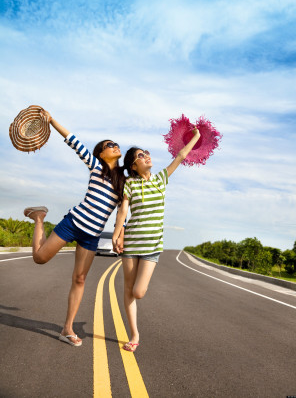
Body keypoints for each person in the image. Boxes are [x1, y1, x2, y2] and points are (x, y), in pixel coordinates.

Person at [24, 110, 125, 347]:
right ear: (101, 153)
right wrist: (51, 120)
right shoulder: (95, 166)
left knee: (80, 279)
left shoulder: (124, 181)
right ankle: (39, 218)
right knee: (39, 258)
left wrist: (119, 235)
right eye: (110, 144)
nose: (115, 146)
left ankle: (67, 329)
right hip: (73, 223)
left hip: (91, 235)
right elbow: (73, 141)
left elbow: (123, 211)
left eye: (116, 144)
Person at [112, 128, 200, 352]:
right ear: (133, 165)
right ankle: (134, 334)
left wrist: (196, 138)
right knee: (128, 289)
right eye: (140, 156)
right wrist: (117, 232)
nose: (146, 156)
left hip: (151, 247)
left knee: (138, 292)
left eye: (147, 153)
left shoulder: (161, 180)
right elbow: (123, 211)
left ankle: (134, 331)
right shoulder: (130, 184)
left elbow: (180, 156)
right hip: (131, 243)